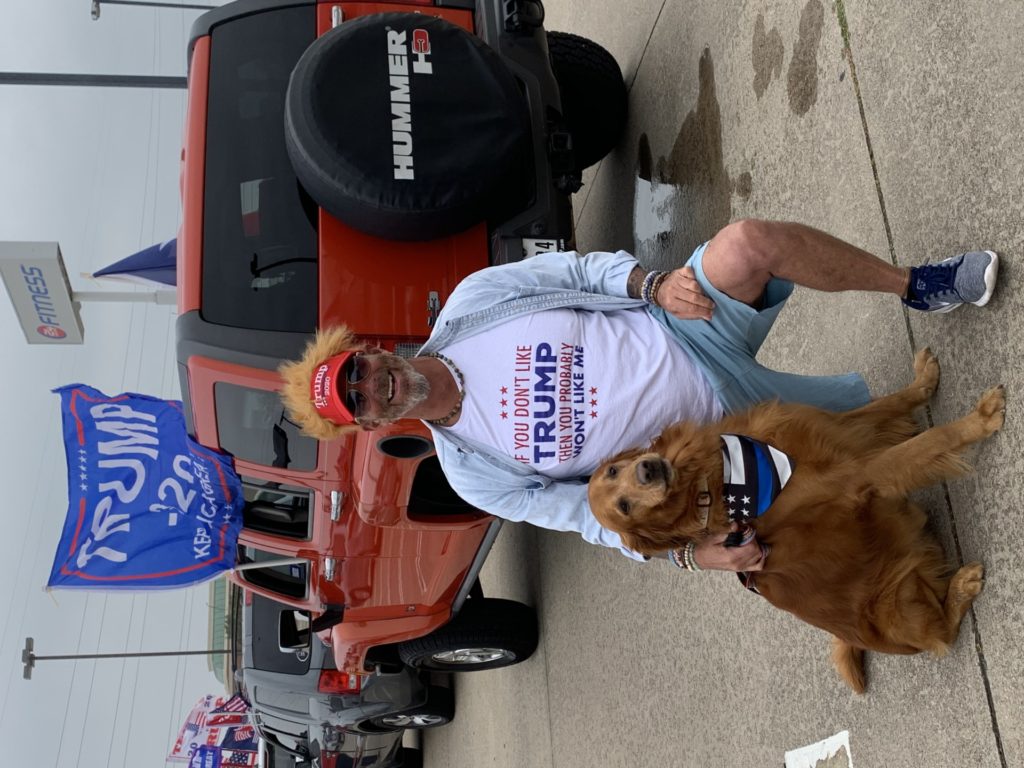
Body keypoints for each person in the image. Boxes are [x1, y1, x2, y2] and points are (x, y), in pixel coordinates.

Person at [278, 219, 999, 574]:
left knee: (747, 242)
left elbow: (584, 271)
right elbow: (591, 518)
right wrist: (690, 556)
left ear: (370, 350)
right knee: (851, 489)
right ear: (368, 425)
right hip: (716, 445)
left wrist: (651, 286)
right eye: (361, 400)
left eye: (361, 369)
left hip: (686, 328)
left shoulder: (474, 304)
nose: (376, 384)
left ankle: (921, 285)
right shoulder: (474, 471)